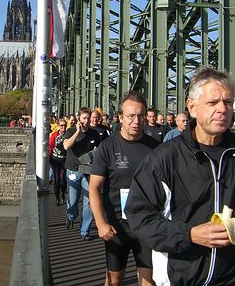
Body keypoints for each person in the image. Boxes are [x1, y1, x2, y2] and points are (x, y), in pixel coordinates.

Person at [125, 66, 235, 286]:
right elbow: (139, 217)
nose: (222, 109)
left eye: (228, 102)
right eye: (212, 103)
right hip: (181, 277)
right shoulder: (164, 158)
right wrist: (189, 234)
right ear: (192, 107)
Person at [90, 91, 160, 286]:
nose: (136, 120)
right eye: (130, 115)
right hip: (117, 227)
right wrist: (101, 223)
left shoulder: (157, 148)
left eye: (140, 115)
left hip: (147, 224)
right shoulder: (107, 147)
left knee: (149, 281)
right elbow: (94, 187)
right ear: (121, 117)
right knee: (114, 280)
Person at [64, 107, 102, 240]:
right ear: (79, 118)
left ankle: (84, 231)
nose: (86, 121)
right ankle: (71, 216)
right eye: (84, 118)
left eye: (88, 118)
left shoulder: (94, 134)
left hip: (88, 171)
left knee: (89, 202)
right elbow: (66, 146)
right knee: (73, 200)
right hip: (73, 169)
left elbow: (99, 151)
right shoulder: (71, 131)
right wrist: (77, 132)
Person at [49, 118, 68, 206]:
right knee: (56, 179)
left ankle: (63, 193)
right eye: (61, 125)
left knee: (63, 180)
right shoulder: (54, 135)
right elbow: (51, 147)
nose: (63, 127)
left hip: (65, 159)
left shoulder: (68, 134)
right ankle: (57, 198)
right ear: (58, 126)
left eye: (64, 125)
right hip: (55, 159)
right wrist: (48, 159)